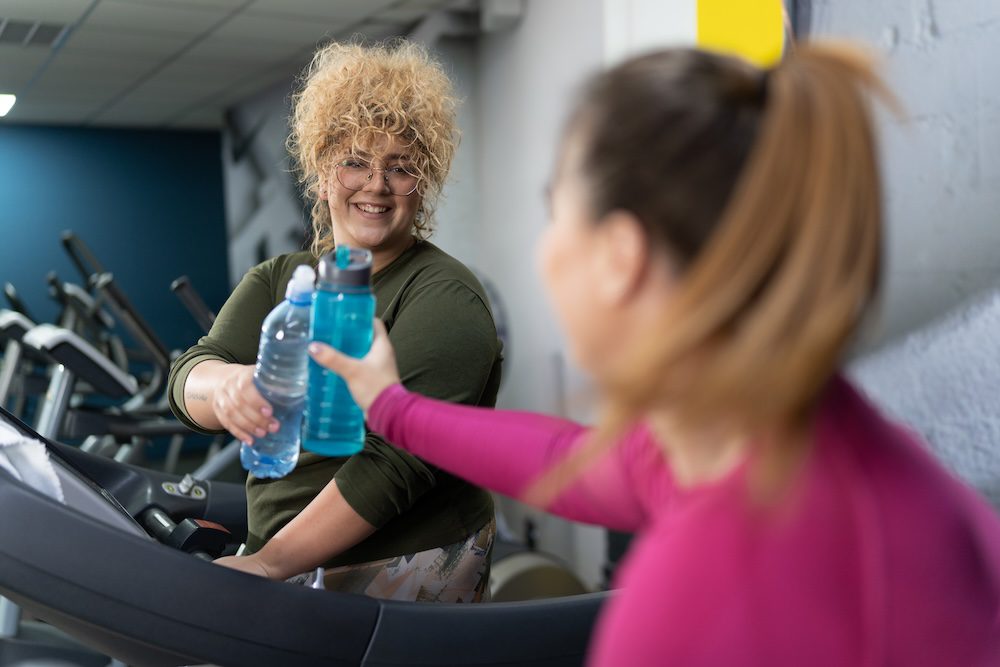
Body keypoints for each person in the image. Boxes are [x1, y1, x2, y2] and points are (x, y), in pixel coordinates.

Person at [308, 44, 1000, 664]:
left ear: (620, 256)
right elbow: (572, 460)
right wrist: (392, 407)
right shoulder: (782, 435)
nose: (546, 249)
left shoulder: (700, 594)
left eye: (556, 213)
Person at [167, 40, 503, 603]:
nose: (376, 184)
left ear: (423, 184)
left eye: (401, 168)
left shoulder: (444, 295)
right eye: (355, 162)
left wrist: (273, 563)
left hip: (397, 564)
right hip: (283, 556)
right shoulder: (281, 279)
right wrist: (224, 387)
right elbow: (188, 374)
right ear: (323, 173)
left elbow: (395, 464)